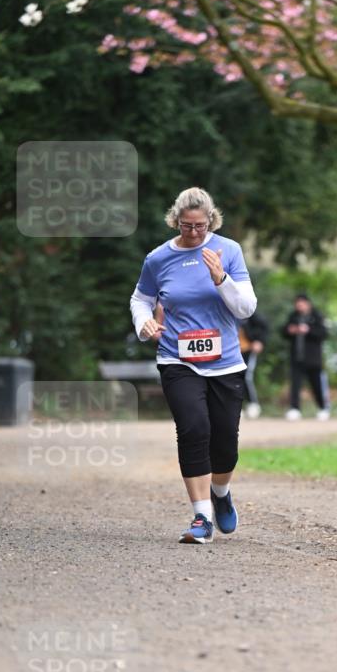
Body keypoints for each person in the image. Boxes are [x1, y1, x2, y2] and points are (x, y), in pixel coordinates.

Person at [130, 187, 257, 544]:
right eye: (186, 226)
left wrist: (221, 279)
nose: (194, 233)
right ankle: (202, 517)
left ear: (211, 221)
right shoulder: (158, 258)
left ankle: (220, 493)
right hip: (177, 358)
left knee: (225, 445)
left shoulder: (228, 251)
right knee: (192, 429)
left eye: (200, 226)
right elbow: (141, 298)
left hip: (226, 362)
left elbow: (246, 307)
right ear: (176, 221)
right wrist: (144, 323)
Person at [282, 293, 330, 420]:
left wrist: (308, 330)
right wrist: (290, 330)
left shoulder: (317, 316)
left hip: (313, 359)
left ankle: (323, 408)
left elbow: (324, 333)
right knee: (295, 384)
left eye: (301, 304)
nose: (299, 306)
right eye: (297, 304)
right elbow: (284, 331)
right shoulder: (294, 316)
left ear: (308, 304)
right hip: (297, 357)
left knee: (316, 384)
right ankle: (295, 408)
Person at [239, 310, 268, 418]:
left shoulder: (247, 311)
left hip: (247, 350)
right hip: (231, 351)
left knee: (246, 376)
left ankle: (253, 404)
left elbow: (263, 327)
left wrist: (259, 341)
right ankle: (237, 407)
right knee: (230, 378)